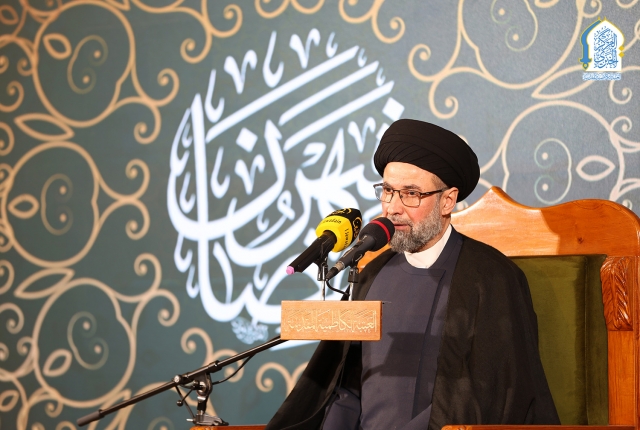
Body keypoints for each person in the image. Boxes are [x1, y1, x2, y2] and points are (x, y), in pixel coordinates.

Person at [266, 119, 560, 430]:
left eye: (410, 193)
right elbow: (346, 387)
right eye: (388, 191)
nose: (392, 208)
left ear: (447, 201)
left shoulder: (492, 279)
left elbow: (488, 398)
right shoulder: (372, 274)